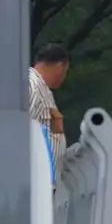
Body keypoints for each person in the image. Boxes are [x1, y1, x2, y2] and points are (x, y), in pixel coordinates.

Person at [29, 43, 71, 187]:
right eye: (65, 72)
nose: (64, 77)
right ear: (60, 66)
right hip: (33, 180)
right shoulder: (31, 86)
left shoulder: (43, 90)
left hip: (45, 180)